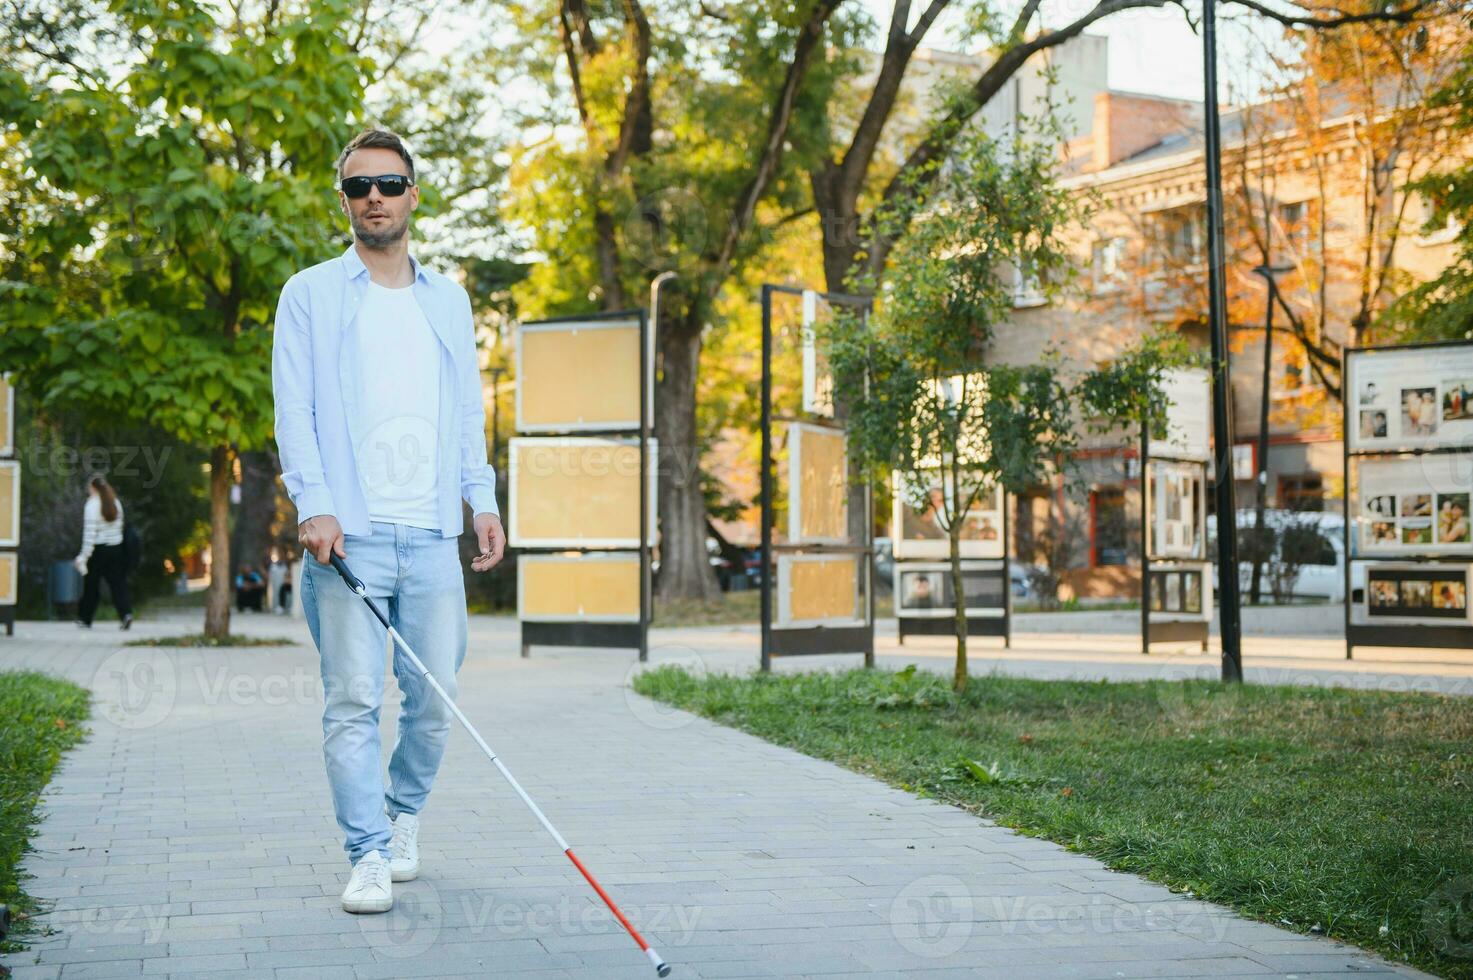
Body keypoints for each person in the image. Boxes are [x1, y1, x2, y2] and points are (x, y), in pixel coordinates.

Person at [272, 128, 505, 916]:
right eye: (360, 184)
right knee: (352, 701)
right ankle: (367, 852)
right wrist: (316, 504)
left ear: (413, 195)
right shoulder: (308, 292)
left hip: (433, 534)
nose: (375, 195)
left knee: (434, 696)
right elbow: (293, 409)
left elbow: (468, 410)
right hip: (351, 539)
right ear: (343, 199)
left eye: (390, 183)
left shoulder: (448, 298)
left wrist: (484, 500)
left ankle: (404, 817)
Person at [73, 474, 134, 630]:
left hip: (98, 550)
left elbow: (90, 533)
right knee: (118, 584)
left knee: (91, 586)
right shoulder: (115, 503)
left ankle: (85, 618)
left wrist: (84, 556)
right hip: (115, 548)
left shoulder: (92, 505)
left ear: (93, 488)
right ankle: (125, 614)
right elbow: (120, 527)